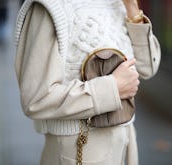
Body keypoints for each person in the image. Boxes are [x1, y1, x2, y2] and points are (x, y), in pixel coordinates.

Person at [14, 0, 161, 164]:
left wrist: (133, 10)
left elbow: (147, 67)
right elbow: (36, 99)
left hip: (125, 144)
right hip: (80, 148)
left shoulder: (120, 3)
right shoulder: (50, 6)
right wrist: (112, 88)